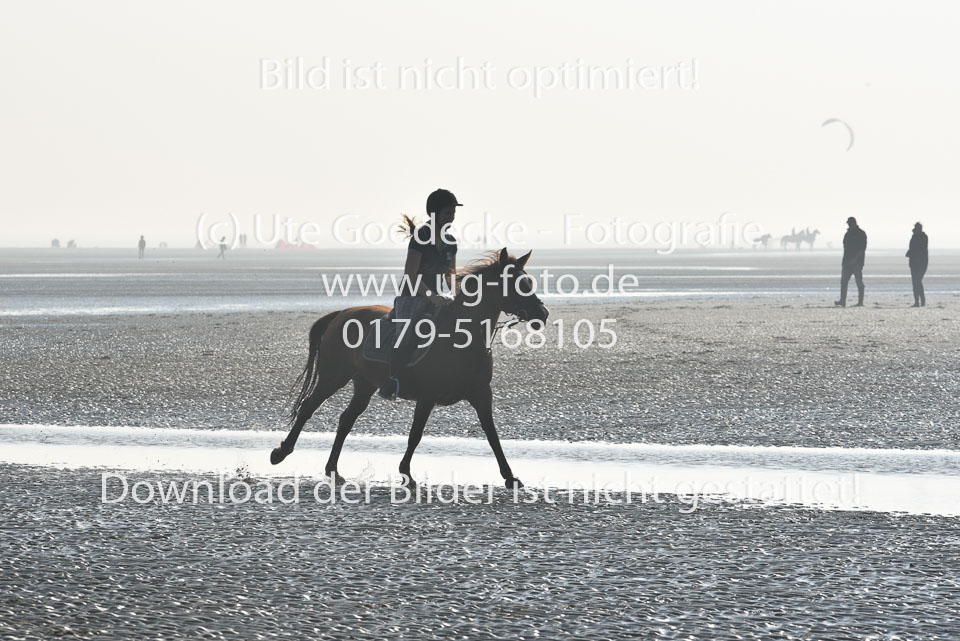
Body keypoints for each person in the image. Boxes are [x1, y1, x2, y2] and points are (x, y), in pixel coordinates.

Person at [379, 188, 461, 401]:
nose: (451, 216)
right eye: (447, 212)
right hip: (412, 296)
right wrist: (430, 296)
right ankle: (393, 380)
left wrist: (458, 293)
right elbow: (410, 275)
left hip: (439, 298)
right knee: (405, 334)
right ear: (434, 214)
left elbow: (451, 277)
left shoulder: (451, 242)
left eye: (453, 212)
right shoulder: (421, 238)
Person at [835, 217, 867, 307]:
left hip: (857, 263)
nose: (849, 225)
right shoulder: (847, 234)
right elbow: (845, 246)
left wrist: (855, 259)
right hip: (846, 262)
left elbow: (862, 249)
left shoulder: (861, 234)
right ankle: (842, 300)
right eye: (848, 223)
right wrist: (846, 261)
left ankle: (860, 302)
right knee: (844, 282)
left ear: (854, 223)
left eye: (850, 223)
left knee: (859, 281)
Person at [906, 222, 928, 307]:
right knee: (915, 282)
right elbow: (912, 248)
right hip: (914, 263)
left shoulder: (923, 237)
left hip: (921, 263)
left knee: (917, 281)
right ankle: (917, 301)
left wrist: (911, 253)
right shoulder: (914, 236)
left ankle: (922, 301)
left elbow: (920, 249)